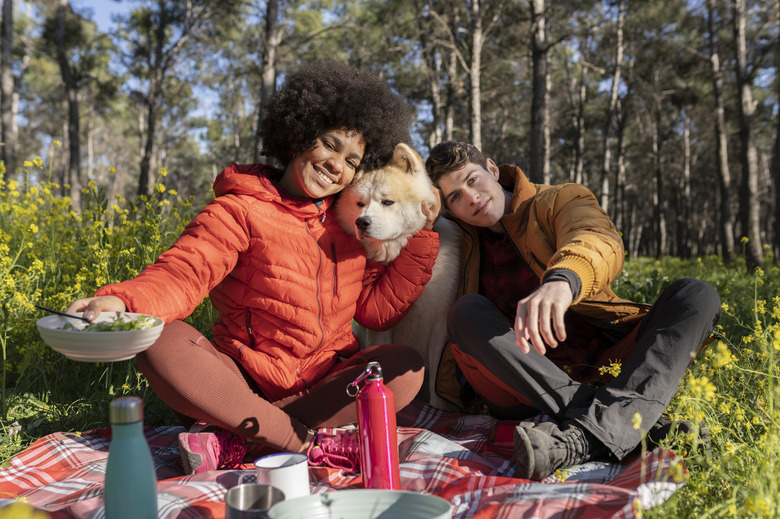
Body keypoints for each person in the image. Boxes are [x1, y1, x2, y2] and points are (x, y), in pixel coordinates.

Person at [67, 60, 441, 475]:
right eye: (331, 145)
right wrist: (120, 300)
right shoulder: (239, 209)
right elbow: (184, 272)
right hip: (242, 379)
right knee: (159, 341)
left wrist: (422, 231)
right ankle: (303, 442)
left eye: (353, 160)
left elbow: (374, 310)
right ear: (299, 134)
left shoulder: (351, 222)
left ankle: (236, 437)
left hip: (324, 378)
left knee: (405, 367)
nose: (338, 165)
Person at [424, 141, 720, 481]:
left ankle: (582, 438)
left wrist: (563, 281)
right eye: (455, 197)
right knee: (466, 312)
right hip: (522, 383)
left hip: (608, 361)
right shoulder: (455, 241)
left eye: (473, 180)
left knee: (696, 295)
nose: (471, 198)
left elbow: (596, 236)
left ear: (492, 169)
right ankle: (624, 421)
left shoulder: (558, 199)